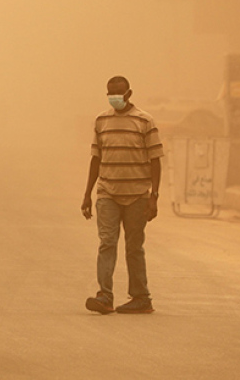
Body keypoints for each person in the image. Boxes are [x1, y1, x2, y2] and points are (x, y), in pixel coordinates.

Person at [81, 76, 164, 314]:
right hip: (107, 192)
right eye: (110, 93)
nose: (114, 97)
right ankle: (104, 296)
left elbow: (155, 160)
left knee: (134, 247)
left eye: (118, 93)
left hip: (137, 194)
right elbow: (96, 159)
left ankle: (141, 297)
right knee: (107, 243)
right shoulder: (101, 120)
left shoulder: (145, 121)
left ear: (129, 93)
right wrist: (87, 194)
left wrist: (154, 196)